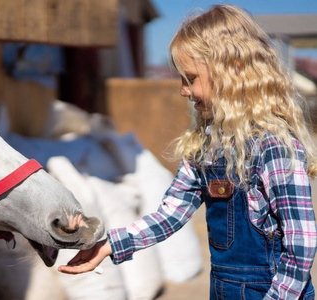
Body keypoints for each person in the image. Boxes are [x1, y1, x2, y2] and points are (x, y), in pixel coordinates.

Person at [58, 5, 317, 300]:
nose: (183, 90)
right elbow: (171, 213)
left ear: (232, 70)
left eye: (190, 78)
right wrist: (111, 245)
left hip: (272, 291)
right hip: (222, 288)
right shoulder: (205, 147)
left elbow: (302, 243)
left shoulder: (274, 147)